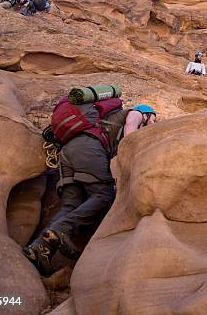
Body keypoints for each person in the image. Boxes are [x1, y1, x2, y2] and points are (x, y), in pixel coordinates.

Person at [23, 104, 157, 276]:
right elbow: (130, 130)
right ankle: (59, 231)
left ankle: (39, 249)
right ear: (147, 113)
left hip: (67, 152)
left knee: (71, 204)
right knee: (104, 194)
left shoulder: (105, 121)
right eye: (153, 118)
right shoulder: (136, 113)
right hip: (89, 148)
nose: (154, 122)